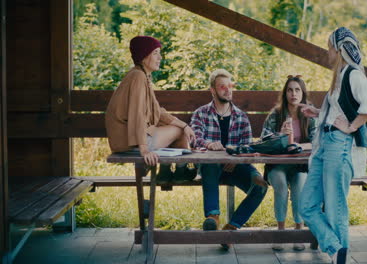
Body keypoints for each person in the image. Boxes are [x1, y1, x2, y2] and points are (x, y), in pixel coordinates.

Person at [299, 27, 367, 264]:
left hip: (339, 145)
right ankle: (335, 249)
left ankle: (339, 257)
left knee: (335, 209)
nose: (328, 52)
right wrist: (317, 112)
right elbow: (337, 110)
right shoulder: (341, 75)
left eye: (329, 47)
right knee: (307, 206)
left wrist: (351, 127)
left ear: (340, 49)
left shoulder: (354, 75)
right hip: (325, 144)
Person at [190, 69, 268, 250]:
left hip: (236, 167)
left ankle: (231, 229)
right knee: (210, 163)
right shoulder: (201, 113)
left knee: (261, 186)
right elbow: (194, 139)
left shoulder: (240, 117)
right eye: (222, 87)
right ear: (213, 90)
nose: (228, 90)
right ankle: (212, 217)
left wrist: (237, 158)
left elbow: (248, 146)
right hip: (212, 169)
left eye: (230, 86)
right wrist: (208, 144)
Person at [105, 36, 195, 166]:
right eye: (155, 53)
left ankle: (168, 173)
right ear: (143, 55)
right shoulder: (138, 77)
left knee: (180, 128)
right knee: (179, 132)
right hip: (130, 142)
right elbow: (137, 114)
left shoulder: (142, 75)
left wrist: (185, 125)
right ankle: (178, 172)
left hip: (132, 139)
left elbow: (157, 112)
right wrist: (144, 149)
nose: (160, 58)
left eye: (159, 53)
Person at [260, 75, 316, 252]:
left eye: (297, 90)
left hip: (300, 164)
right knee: (281, 186)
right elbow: (263, 140)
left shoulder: (309, 114)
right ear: (285, 94)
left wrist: (299, 145)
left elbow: (317, 141)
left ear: (303, 93)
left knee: (299, 185)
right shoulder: (276, 115)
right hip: (278, 164)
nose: (293, 93)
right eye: (290, 90)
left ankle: (298, 232)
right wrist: (280, 136)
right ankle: (281, 232)